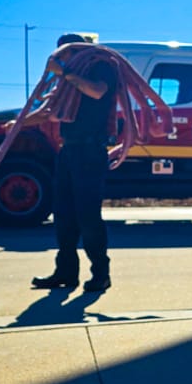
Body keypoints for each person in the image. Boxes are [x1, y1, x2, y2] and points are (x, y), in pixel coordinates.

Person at [32, 34, 118, 292]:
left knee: (88, 214)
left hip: (90, 151)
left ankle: (101, 274)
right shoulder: (66, 81)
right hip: (69, 151)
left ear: (77, 51)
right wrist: (18, 124)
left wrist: (65, 72)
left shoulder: (100, 67)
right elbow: (50, 110)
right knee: (63, 215)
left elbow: (97, 91)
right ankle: (66, 272)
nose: (59, 57)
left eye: (64, 53)